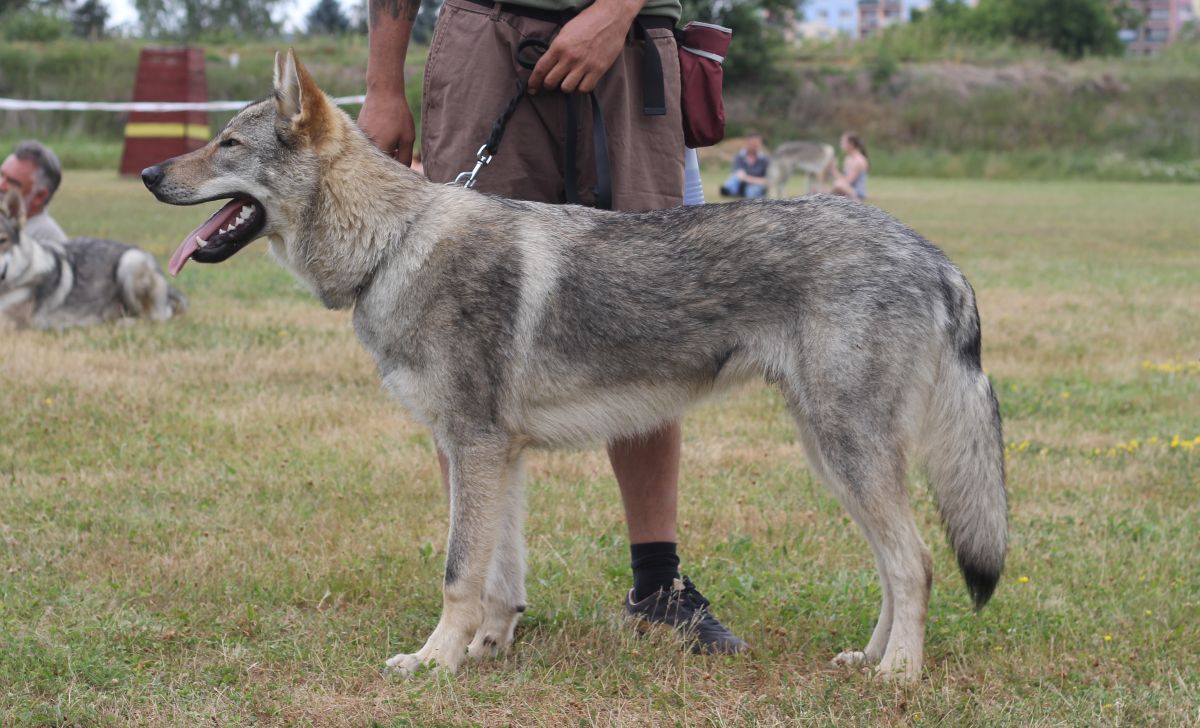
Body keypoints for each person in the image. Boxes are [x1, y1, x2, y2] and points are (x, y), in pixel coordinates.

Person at [358, 0, 747, 653]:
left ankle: (658, 586)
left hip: (630, 51)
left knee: (648, 325)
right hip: (484, 40)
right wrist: (383, 87)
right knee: (461, 338)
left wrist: (615, 12)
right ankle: (483, 605)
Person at [0, 140, 67, 245]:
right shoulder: (7, 223)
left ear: (39, 197)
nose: (1, 185)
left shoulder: (47, 241)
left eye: (12, 182)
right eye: (1, 175)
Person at [719, 133, 769, 199]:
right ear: (748, 143)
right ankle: (728, 190)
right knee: (734, 178)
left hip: (756, 184)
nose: (755, 145)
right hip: (742, 183)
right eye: (753, 143)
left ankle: (733, 192)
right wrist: (744, 177)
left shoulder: (765, 160)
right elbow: (738, 174)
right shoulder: (739, 156)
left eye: (757, 143)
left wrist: (748, 179)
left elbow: (767, 180)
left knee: (751, 191)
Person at [831, 131, 869, 202]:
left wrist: (834, 169)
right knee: (820, 188)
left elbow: (847, 182)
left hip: (857, 194)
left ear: (851, 144)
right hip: (848, 191)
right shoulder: (848, 158)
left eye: (842, 143)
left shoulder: (859, 161)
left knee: (838, 185)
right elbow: (843, 179)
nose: (841, 145)